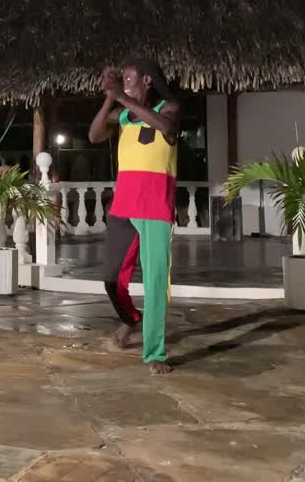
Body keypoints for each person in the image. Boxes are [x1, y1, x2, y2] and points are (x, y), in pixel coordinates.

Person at [87, 60, 180, 375]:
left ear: (147, 81)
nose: (124, 82)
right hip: (123, 207)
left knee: (154, 283)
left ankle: (154, 352)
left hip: (155, 207)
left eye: (128, 78)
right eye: (121, 79)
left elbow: (167, 130)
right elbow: (94, 135)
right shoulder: (124, 115)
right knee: (111, 280)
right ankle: (132, 319)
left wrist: (123, 98)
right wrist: (110, 99)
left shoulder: (169, 108)